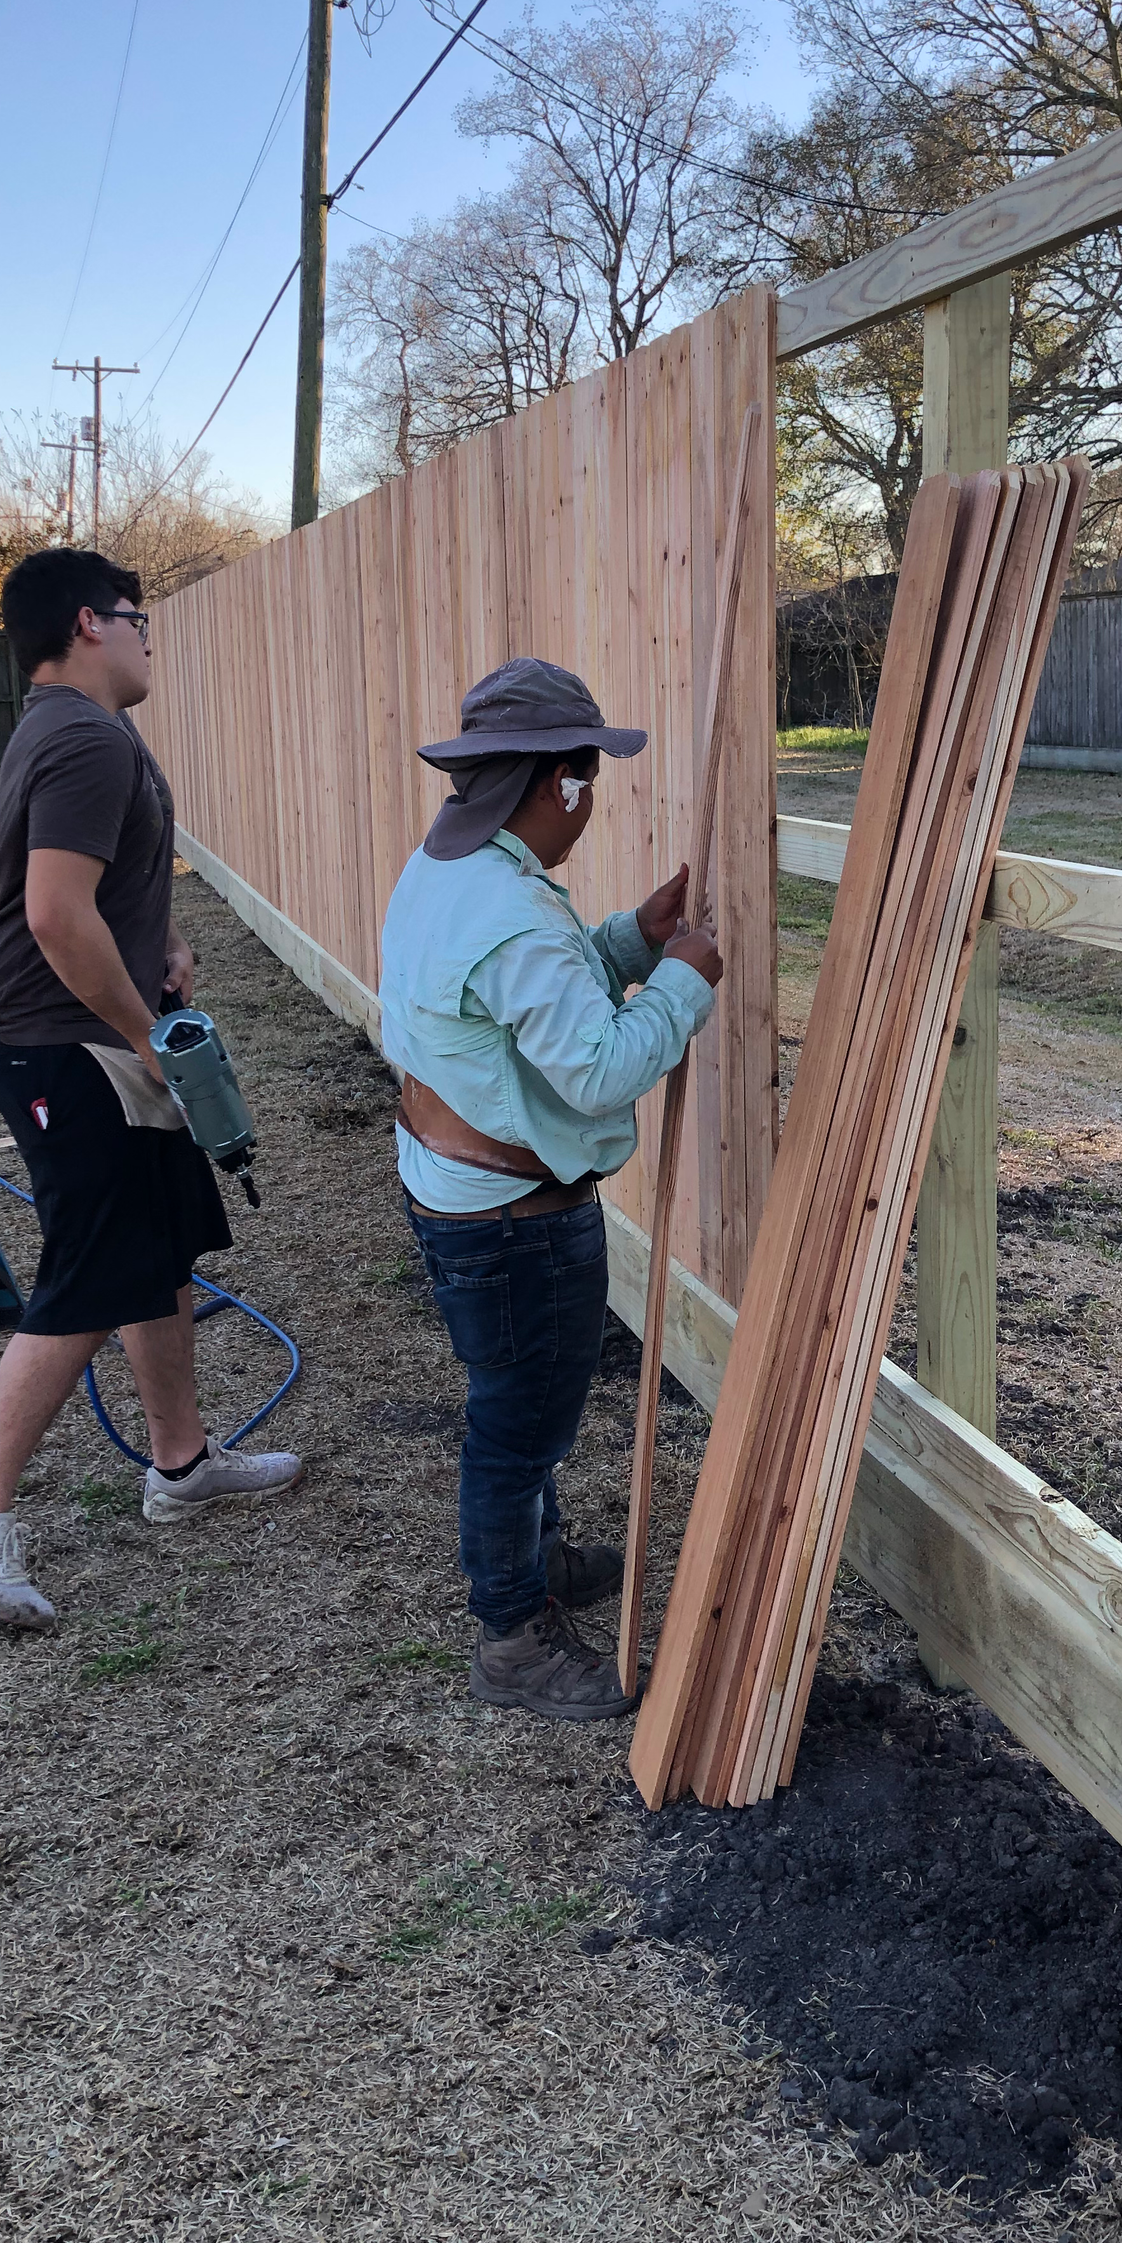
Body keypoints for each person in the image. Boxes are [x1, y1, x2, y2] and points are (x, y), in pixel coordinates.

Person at [0, 549, 301, 1630]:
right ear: (89, 622)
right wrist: (151, 1034)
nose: (147, 635)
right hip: (67, 1051)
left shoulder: (81, 729)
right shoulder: (81, 735)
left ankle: (180, 1463)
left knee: (157, 1245)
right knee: (88, 1273)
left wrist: (160, 937)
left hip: (87, 1039)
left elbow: (103, 883)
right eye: (136, 616)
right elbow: (52, 914)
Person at [379, 658, 724, 1722]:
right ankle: (513, 1638)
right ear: (556, 783)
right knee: (517, 1424)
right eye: (588, 778)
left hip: (459, 1191)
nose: (591, 800)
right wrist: (685, 980)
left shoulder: (456, 870)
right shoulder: (510, 909)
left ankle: (535, 1557)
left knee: (518, 1406)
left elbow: (536, 997)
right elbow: (603, 1066)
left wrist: (630, 939)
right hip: (510, 1222)